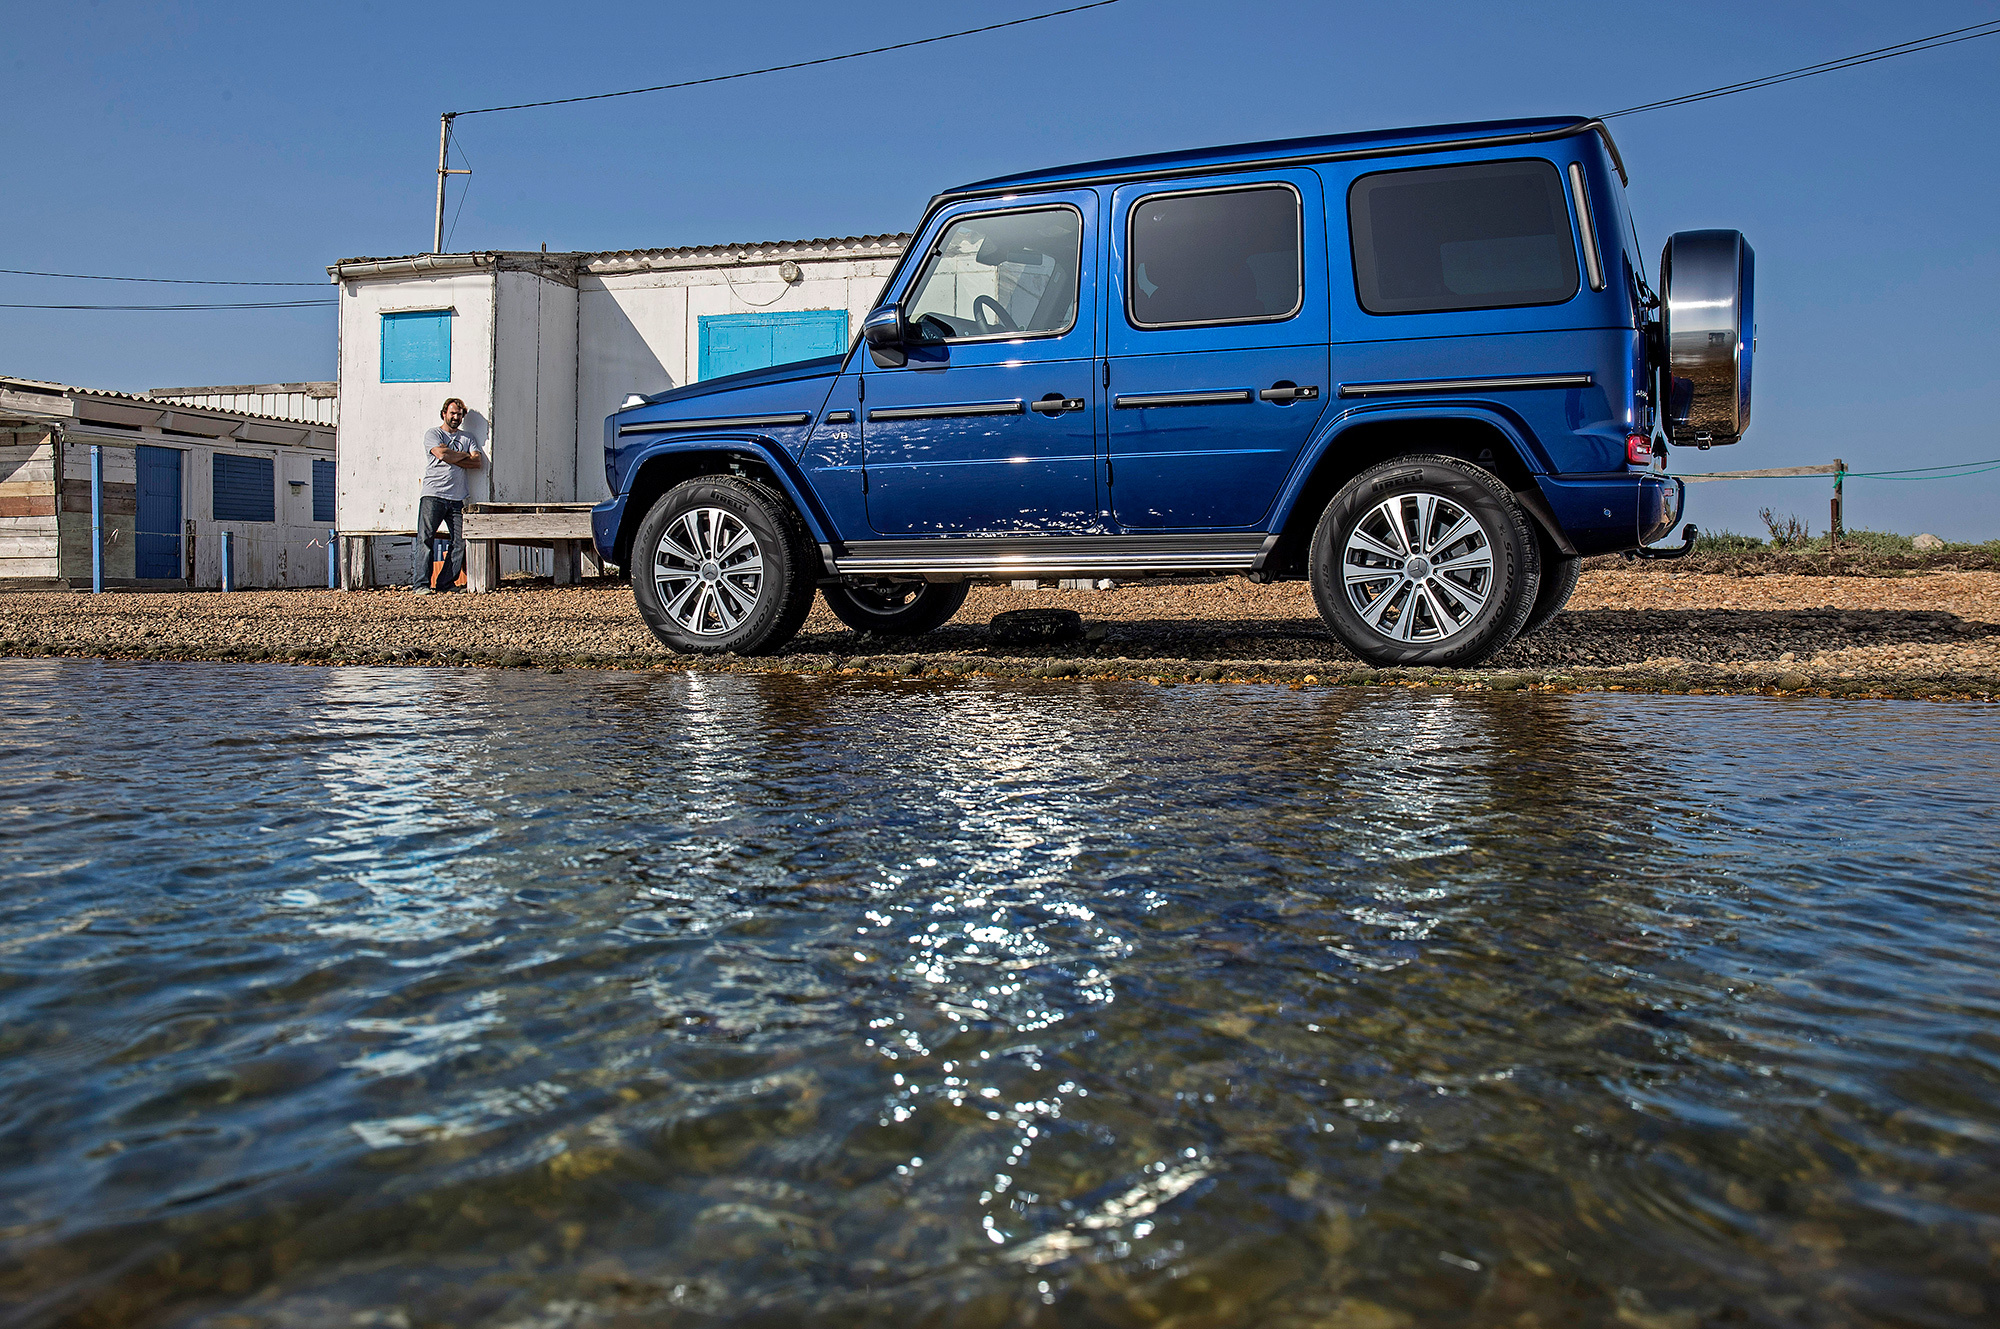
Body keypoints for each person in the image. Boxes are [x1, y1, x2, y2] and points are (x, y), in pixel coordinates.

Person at [412, 397, 483, 594]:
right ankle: (421, 585)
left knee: (460, 541)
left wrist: (451, 455)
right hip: (433, 494)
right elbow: (441, 454)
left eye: (459, 415)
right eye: (452, 413)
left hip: (457, 498)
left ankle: (445, 583)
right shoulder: (433, 434)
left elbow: (477, 462)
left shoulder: (468, 437)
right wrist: (463, 455)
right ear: (444, 413)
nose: (455, 417)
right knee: (425, 539)